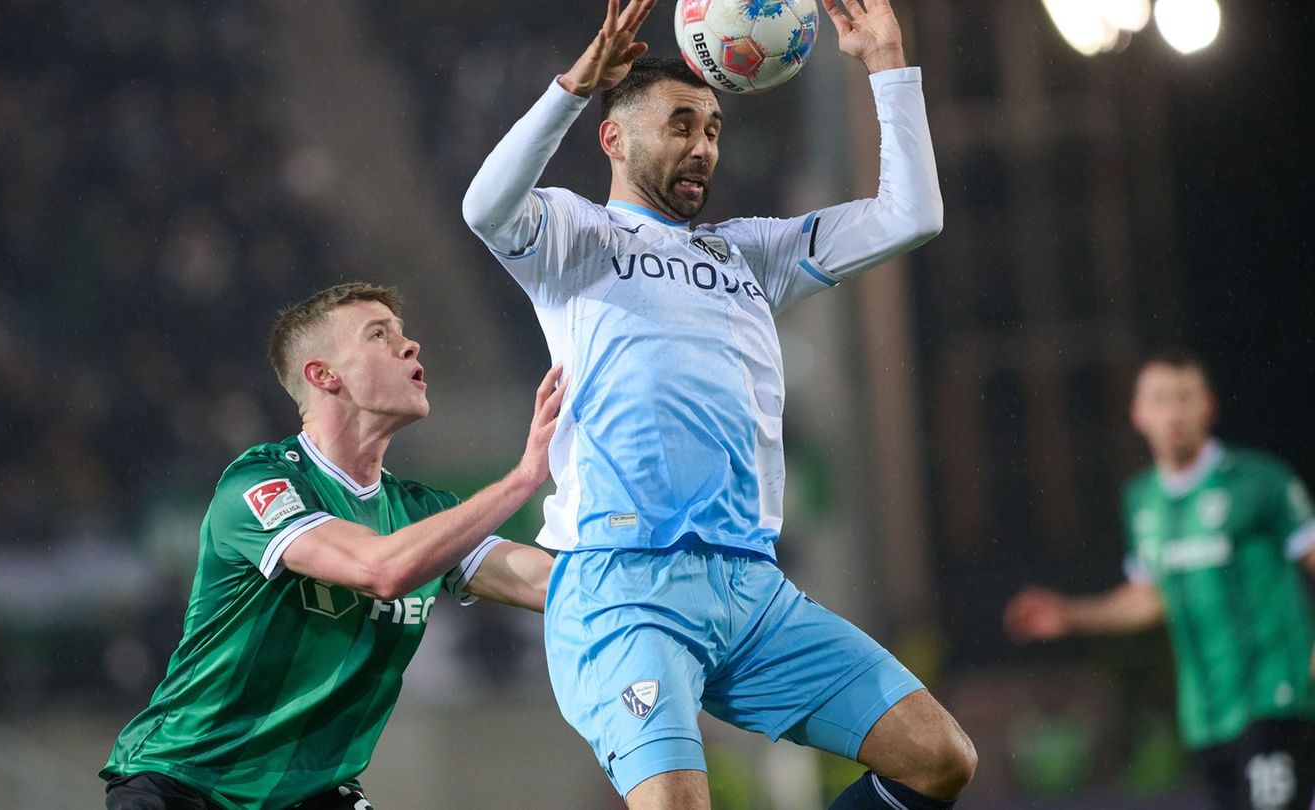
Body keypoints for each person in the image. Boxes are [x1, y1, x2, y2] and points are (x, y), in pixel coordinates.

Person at [461, 1, 975, 808]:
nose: (703, 146)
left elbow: (912, 216)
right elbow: (484, 207)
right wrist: (571, 87)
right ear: (615, 138)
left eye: (713, 129)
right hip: (622, 586)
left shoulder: (749, 253)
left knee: (940, 758)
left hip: (751, 588)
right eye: (681, 125)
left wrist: (887, 69)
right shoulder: (574, 238)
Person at [101, 282, 562, 810]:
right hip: (187, 786)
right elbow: (379, 570)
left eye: (404, 334)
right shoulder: (258, 485)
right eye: (379, 335)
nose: (410, 346)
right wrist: (524, 479)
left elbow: (557, 585)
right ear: (323, 375)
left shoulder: (422, 513)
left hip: (314, 796)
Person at [1005, 347, 1315, 810]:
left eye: (1184, 397)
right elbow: (1151, 599)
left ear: (1208, 405)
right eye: (1160, 399)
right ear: (1137, 413)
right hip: (1206, 716)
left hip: (1274, 698)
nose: (1173, 413)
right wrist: (1070, 615)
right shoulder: (1143, 501)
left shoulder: (1259, 482)